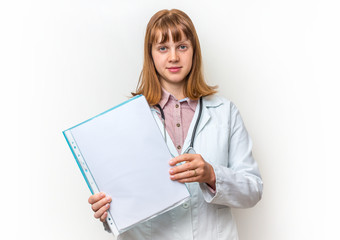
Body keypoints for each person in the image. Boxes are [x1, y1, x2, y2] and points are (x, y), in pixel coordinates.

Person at [88, 9, 263, 240]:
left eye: (182, 46)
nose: (173, 57)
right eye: (162, 48)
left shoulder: (225, 112)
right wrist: (108, 212)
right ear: (150, 55)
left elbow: (253, 190)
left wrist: (211, 174)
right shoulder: (127, 118)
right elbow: (122, 200)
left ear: (194, 52)